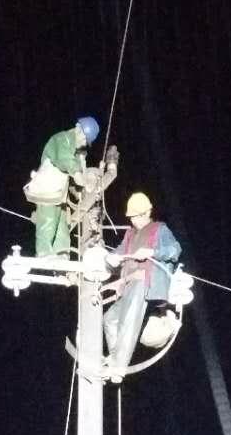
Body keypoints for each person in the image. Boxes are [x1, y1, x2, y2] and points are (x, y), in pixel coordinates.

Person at [103, 191, 182, 371]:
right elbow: (120, 250)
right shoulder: (130, 234)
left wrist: (152, 252)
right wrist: (112, 258)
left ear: (146, 213)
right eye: (131, 217)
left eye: (136, 216)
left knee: (128, 321)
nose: (133, 220)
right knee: (109, 319)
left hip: (145, 282)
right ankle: (115, 357)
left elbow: (175, 250)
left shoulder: (159, 229)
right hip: (129, 284)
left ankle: (119, 366)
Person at [29, 115, 100, 256]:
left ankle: (62, 255)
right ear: (79, 129)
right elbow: (64, 159)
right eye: (85, 139)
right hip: (47, 191)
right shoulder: (61, 139)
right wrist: (79, 174)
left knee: (62, 229)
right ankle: (44, 254)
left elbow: (74, 173)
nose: (85, 143)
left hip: (58, 195)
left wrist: (84, 186)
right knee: (48, 222)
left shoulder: (74, 149)